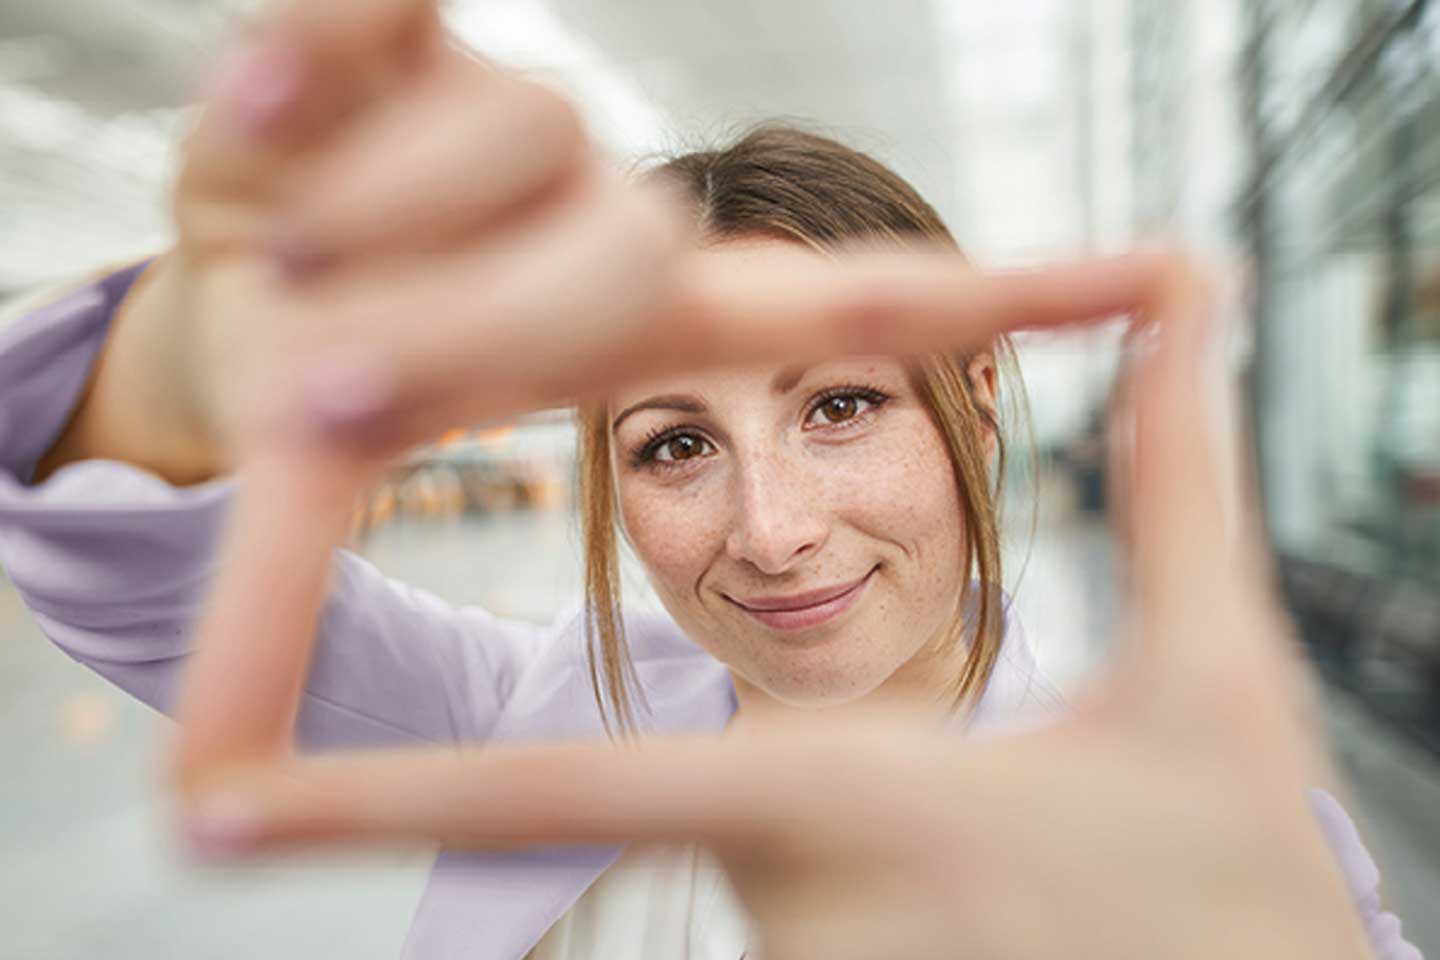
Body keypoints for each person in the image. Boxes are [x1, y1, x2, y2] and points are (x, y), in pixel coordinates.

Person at [0, 2, 1419, 958]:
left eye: (844, 405)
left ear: (975, 397)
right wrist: (191, 357)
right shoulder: (546, 710)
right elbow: (154, 592)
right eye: (674, 442)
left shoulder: (1214, 840)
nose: (773, 530)